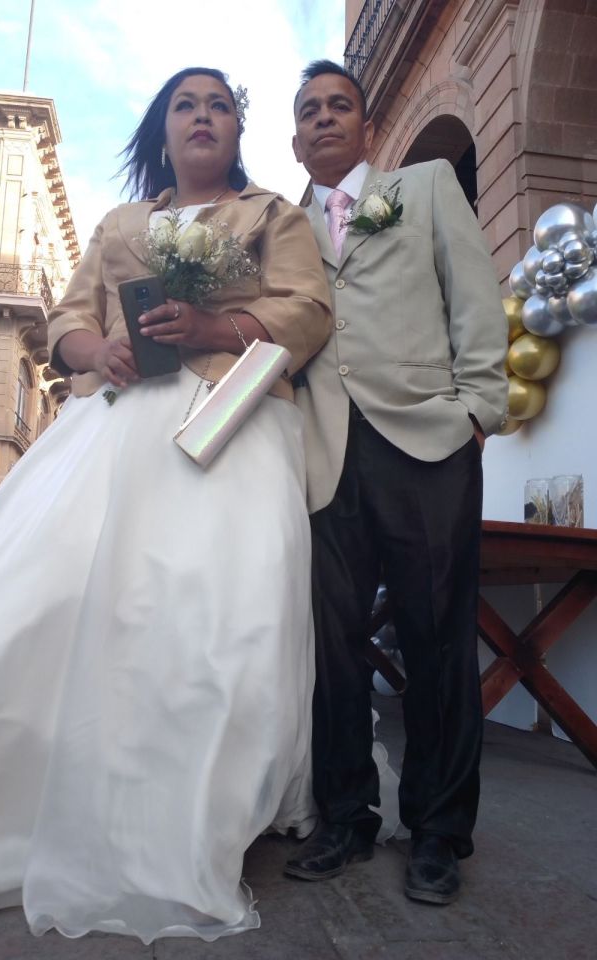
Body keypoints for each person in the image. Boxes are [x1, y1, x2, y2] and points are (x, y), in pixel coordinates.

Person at [0, 67, 331, 942]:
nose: (203, 117)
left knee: (215, 615)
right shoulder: (121, 224)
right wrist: (99, 351)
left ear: (238, 130)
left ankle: (191, 808)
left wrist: (210, 329)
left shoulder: (273, 215)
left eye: (220, 105)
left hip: (231, 423)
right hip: (114, 425)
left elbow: (307, 311)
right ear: (162, 131)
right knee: (47, 598)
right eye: (185, 105)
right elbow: (67, 320)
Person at [284, 61, 508, 904]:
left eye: (340, 105)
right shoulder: (283, 227)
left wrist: (478, 408)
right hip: (323, 451)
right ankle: (346, 817)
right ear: (295, 140)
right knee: (332, 645)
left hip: (427, 440)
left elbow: (472, 294)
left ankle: (439, 831)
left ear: (367, 127)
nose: (325, 118)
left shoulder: (427, 185)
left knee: (437, 637)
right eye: (310, 110)